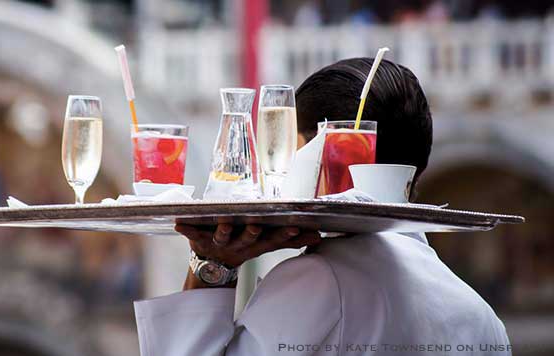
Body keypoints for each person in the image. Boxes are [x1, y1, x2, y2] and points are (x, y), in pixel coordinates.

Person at [133, 59, 511, 355]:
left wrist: (209, 266)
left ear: (328, 159)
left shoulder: (318, 282)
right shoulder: (482, 318)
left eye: (294, 155)